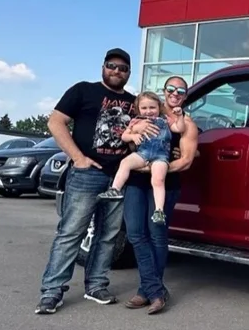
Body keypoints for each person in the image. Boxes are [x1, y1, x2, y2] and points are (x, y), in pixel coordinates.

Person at [34, 48, 159, 315]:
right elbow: (56, 122)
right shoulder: (83, 91)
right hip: (86, 174)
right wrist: (77, 157)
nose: (117, 71)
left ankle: (96, 285)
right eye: (112, 66)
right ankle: (52, 291)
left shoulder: (133, 101)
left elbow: (152, 119)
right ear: (103, 67)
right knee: (71, 233)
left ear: (129, 73)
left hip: (119, 177)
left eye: (123, 68)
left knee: (109, 235)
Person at [121, 76, 198, 314]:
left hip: (165, 185)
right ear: (164, 91)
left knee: (156, 235)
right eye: (171, 89)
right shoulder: (145, 114)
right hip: (135, 183)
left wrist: (156, 170)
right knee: (135, 233)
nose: (175, 93)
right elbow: (128, 142)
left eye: (181, 91)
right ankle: (155, 290)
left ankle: (147, 292)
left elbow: (187, 160)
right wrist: (134, 134)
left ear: (185, 95)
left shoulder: (186, 124)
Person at [97, 90, 185, 224]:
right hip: (143, 153)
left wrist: (179, 117)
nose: (148, 111)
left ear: (159, 107)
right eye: (144, 108)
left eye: (152, 107)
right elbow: (124, 136)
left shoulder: (166, 120)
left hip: (160, 155)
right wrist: (133, 136)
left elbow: (179, 129)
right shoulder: (135, 121)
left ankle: (159, 210)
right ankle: (115, 189)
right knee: (125, 163)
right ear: (138, 109)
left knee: (158, 179)